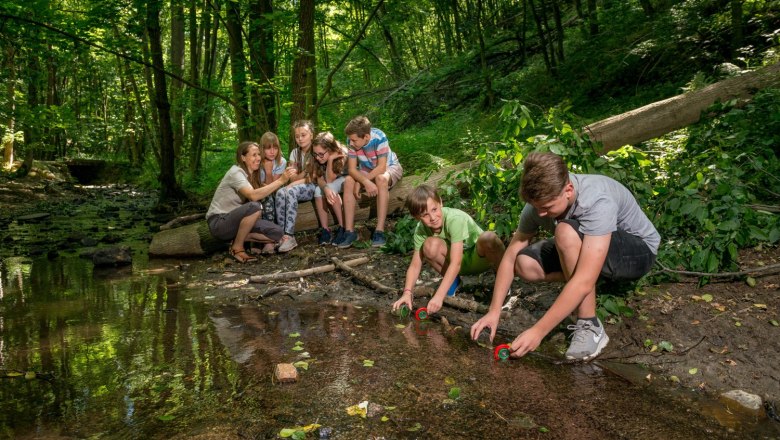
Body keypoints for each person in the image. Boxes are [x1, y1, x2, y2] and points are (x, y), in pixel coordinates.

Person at [470, 152, 660, 361]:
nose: (540, 214)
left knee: (565, 233)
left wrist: (538, 331)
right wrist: (494, 311)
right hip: (592, 245)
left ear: (568, 190)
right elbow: (509, 257)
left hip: (638, 252)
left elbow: (583, 280)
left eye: (547, 208)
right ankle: (590, 280)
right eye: (537, 207)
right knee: (524, 263)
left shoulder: (596, 200)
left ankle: (590, 325)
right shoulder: (537, 205)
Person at [392, 184, 506, 315]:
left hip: (479, 259)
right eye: (425, 215)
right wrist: (407, 293)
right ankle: (454, 282)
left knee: (489, 237)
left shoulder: (454, 219)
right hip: (455, 264)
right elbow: (415, 265)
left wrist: (438, 296)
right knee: (429, 246)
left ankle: (502, 281)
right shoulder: (420, 229)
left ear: (440, 202)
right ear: (416, 217)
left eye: (434, 209)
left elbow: (456, 262)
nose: (433, 218)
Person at [206, 141, 297, 263]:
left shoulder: (251, 176)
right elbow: (253, 196)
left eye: (259, 154)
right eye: (254, 155)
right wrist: (281, 180)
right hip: (219, 222)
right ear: (243, 157)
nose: (258, 158)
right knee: (255, 206)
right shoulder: (236, 172)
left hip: (236, 224)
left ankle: (236, 239)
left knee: (277, 232)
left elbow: (261, 193)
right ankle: (237, 248)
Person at [335, 116, 403, 248]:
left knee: (380, 179)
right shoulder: (352, 139)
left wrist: (363, 182)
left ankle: (379, 231)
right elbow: (352, 169)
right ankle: (349, 231)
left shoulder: (380, 138)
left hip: (389, 166)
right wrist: (363, 181)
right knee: (349, 180)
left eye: (355, 140)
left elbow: (382, 167)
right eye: (351, 140)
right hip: (367, 169)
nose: (351, 143)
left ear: (366, 136)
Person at [274, 120, 318, 253]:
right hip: (299, 185)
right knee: (280, 192)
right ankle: (281, 235)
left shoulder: (317, 150)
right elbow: (292, 176)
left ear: (311, 134)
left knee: (290, 191)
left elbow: (313, 178)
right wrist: (304, 173)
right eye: (297, 136)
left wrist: (297, 179)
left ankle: (290, 235)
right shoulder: (295, 153)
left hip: (313, 186)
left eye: (303, 135)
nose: (300, 138)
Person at [306, 131, 349, 245]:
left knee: (330, 187)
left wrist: (330, 160)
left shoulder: (341, 153)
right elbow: (320, 179)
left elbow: (330, 180)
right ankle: (325, 229)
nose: (318, 157)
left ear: (330, 149)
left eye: (321, 154)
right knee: (317, 191)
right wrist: (324, 188)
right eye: (315, 154)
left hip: (348, 180)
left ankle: (342, 226)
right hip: (333, 182)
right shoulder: (317, 158)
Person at [257, 132, 287, 253]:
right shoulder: (257, 161)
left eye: (275, 148)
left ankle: (269, 241)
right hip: (258, 193)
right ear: (262, 149)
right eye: (268, 148)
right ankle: (257, 241)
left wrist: (268, 170)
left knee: (268, 198)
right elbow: (256, 184)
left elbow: (273, 186)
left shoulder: (281, 161)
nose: (272, 152)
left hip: (274, 194)